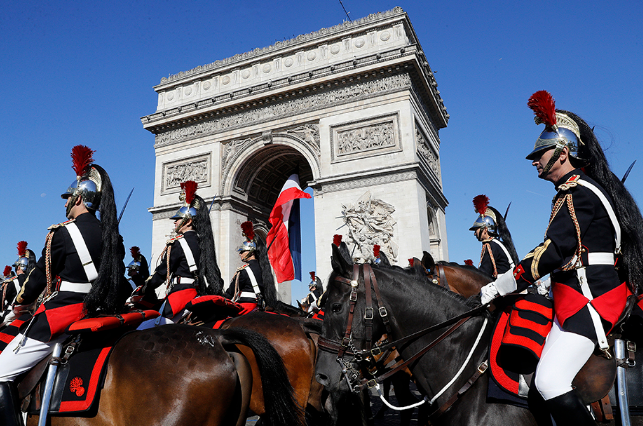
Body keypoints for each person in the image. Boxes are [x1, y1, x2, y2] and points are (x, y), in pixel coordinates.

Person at [480, 91, 643, 426]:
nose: (535, 160)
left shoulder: (579, 192)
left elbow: (553, 252)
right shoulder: (575, 190)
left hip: (593, 299)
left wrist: (503, 284)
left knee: (550, 380)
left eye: (540, 153)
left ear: (564, 152)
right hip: (573, 298)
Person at [0, 145, 127, 426]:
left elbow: (36, 282)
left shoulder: (60, 233)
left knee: (0, 372)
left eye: (68, 197)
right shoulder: (113, 236)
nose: (65, 202)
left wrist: (20, 306)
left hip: (65, 314)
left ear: (79, 198)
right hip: (101, 312)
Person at [138, 181, 223, 329]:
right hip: (196, 293)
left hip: (181, 294)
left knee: (144, 329)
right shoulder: (203, 243)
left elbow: (162, 272)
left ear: (188, 221)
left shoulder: (178, 243)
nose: (174, 222)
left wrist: (145, 287)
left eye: (177, 219)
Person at [224, 221, 278, 314]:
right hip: (259, 307)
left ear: (251, 252)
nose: (240, 254)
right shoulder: (264, 270)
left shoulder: (244, 271)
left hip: (246, 306)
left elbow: (230, 293)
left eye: (242, 251)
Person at [470, 195, 519, 279]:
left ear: (485, 229)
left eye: (476, 230)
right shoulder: (495, 243)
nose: (475, 233)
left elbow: (484, 273)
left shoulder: (490, 245)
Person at [0, 242, 37, 327]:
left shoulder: (12, 283)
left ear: (19, 267)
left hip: (10, 319)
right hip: (30, 318)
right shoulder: (34, 281)